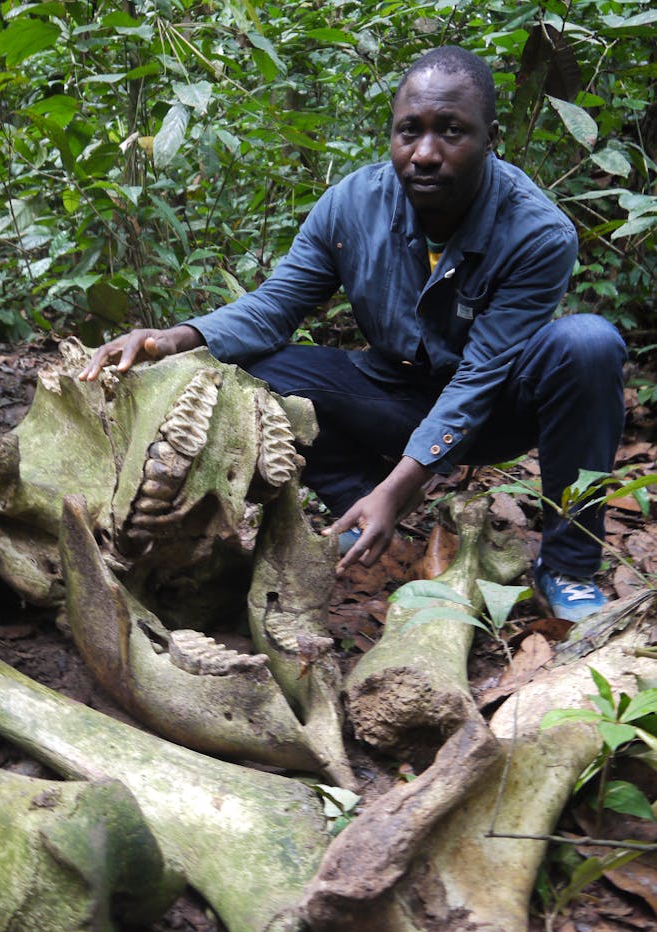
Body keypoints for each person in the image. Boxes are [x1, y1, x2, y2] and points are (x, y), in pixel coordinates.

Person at [80, 45, 626, 622]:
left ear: (491, 138)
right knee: (251, 367)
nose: (425, 153)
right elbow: (273, 308)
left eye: (452, 132)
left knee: (587, 345)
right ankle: (354, 500)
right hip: (394, 391)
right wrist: (174, 337)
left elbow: (480, 376)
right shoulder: (350, 206)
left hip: (496, 406)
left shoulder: (538, 232)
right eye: (408, 131)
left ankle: (568, 565)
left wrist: (403, 488)